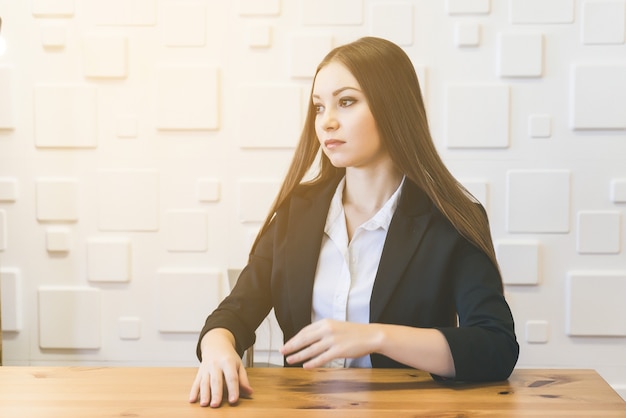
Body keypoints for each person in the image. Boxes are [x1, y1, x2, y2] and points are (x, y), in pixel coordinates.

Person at [189, 36, 519, 408]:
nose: (326, 121)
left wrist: (374, 336)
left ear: (392, 106)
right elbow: (234, 313)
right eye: (318, 107)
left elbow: (496, 347)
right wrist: (217, 347)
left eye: (346, 102)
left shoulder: (451, 219)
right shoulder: (296, 214)